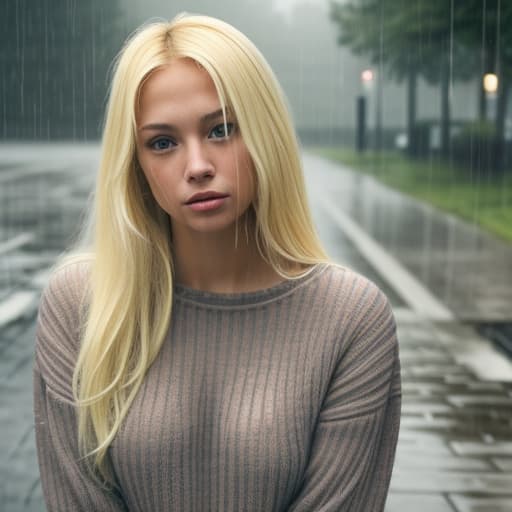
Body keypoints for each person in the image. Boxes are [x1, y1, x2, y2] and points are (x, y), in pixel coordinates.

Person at [33, 12, 401, 512]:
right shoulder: (80, 304)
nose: (198, 166)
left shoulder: (351, 319)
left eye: (222, 129)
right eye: (162, 142)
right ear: (136, 165)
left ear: (265, 133)